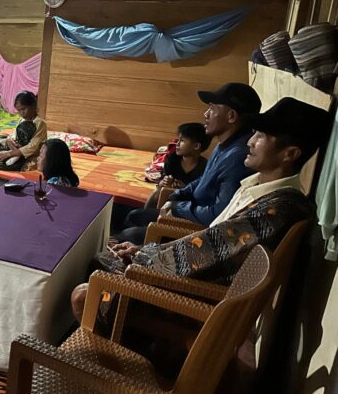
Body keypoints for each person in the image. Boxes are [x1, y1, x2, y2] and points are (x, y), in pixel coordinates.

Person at [72, 97, 333, 321]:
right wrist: (143, 250)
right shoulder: (256, 187)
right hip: (185, 277)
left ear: (290, 154)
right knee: (102, 258)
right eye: (254, 133)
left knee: (85, 291)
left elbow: (203, 252)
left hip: (188, 296)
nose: (251, 142)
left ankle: (107, 351)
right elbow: (207, 239)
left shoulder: (276, 210)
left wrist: (140, 256)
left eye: (262, 136)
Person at [116, 82, 261, 244]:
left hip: (198, 232)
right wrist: (177, 194)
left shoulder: (238, 157)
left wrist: (177, 208)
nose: (206, 114)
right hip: (193, 212)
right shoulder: (225, 146)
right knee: (135, 215)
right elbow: (204, 180)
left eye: (212, 108)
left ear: (231, 116)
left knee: (129, 234)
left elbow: (218, 215)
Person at [144, 123, 211, 209]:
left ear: (196, 146)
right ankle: (146, 213)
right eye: (178, 140)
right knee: (158, 190)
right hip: (168, 194)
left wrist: (185, 188)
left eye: (182, 140)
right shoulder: (173, 158)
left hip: (187, 203)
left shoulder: (204, 167)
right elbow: (163, 180)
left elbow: (200, 194)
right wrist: (164, 182)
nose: (177, 144)